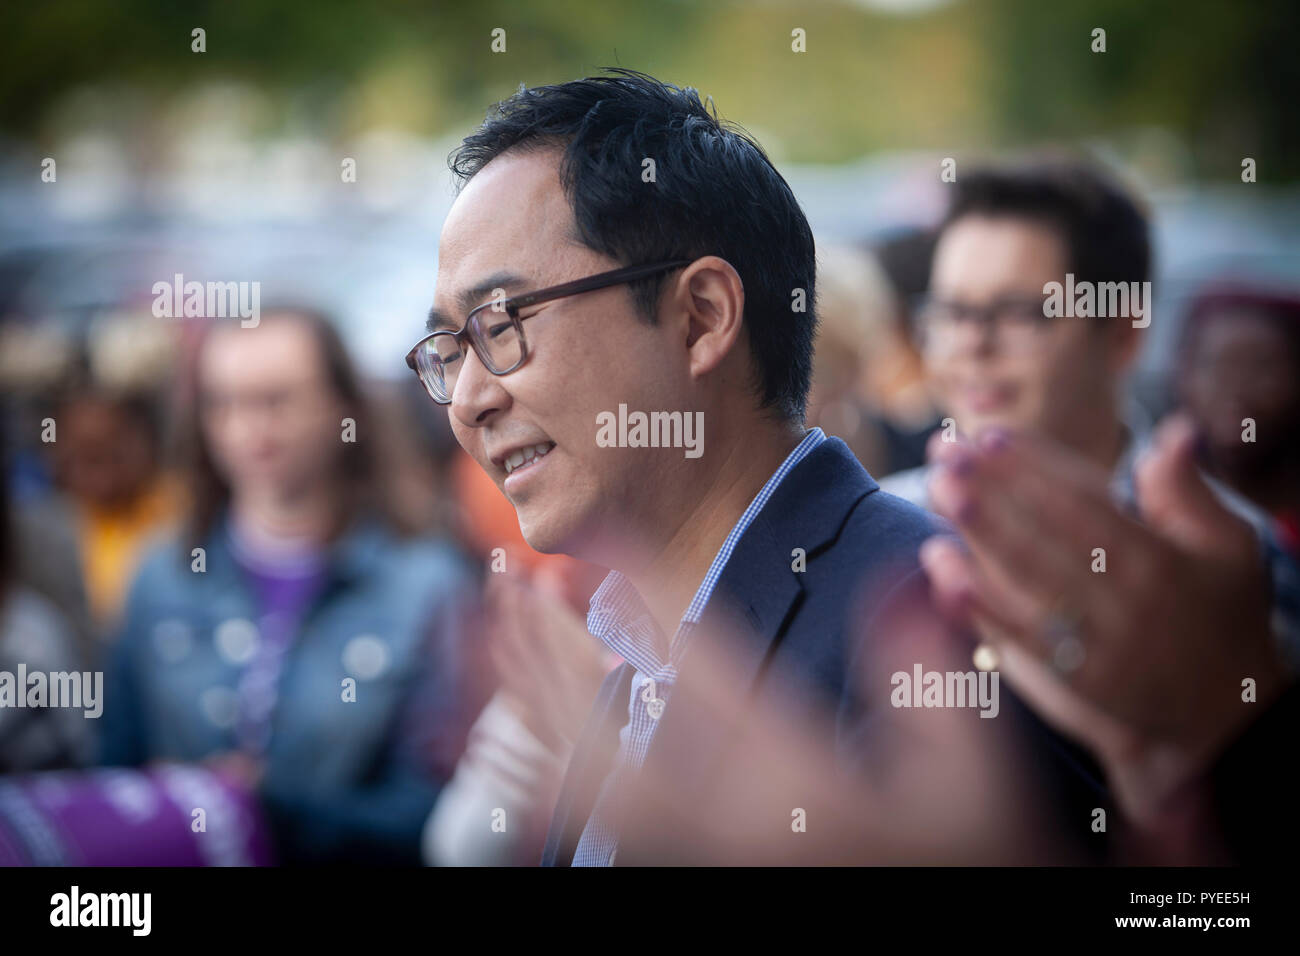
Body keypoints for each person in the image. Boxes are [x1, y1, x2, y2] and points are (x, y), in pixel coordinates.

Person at [409, 70, 1088, 866]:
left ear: (701, 317)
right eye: (449, 350)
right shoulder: (633, 650)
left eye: (502, 324)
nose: (468, 400)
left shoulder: (931, 615)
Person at [100, 310, 482, 864]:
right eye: (222, 402)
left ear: (342, 406)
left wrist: (264, 808)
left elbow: (433, 813)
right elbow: (112, 772)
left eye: (275, 400)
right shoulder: (162, 575)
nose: (247, 428)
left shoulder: (426, 586)